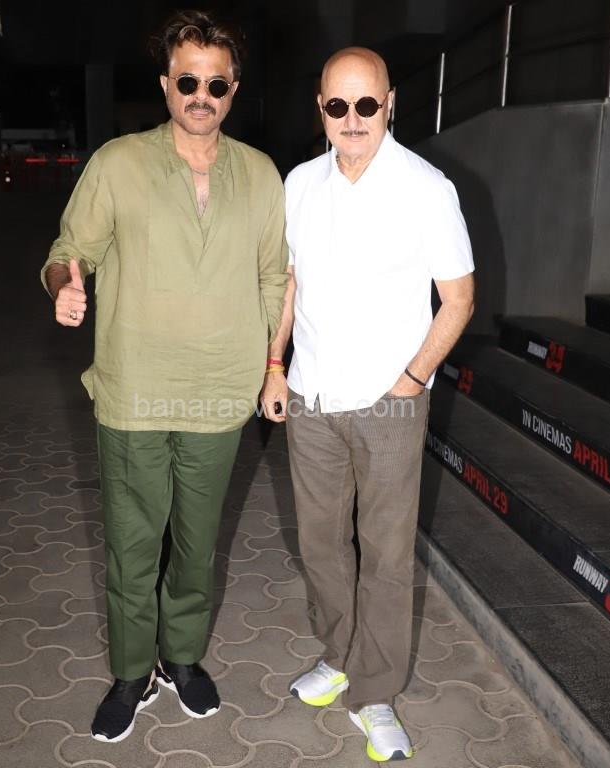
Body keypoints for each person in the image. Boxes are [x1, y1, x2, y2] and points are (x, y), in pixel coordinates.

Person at [41, 9, 288, 744]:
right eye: (187, 82)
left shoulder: (260, 174)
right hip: (134, 392)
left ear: (233, 89)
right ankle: (130, 671)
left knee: (197, 543)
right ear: (165, 85)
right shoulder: (118, 162)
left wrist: (272, 367)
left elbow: (274, 279)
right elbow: (69, 249)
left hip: (221, 395)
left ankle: (180, 657)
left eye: (215, 83)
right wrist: (63, 285)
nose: (200, 96)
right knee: (132, 544)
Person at [261, 47, 474, 762]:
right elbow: (289, 283)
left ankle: (375, 692)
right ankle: (339, 655)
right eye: (336, 105)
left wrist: (411, 379)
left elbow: (458, 298)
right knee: (320, 545)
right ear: (319, 109)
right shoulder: (299, 183)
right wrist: (274, 366)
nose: (351, 119)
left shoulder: (427, 188)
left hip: (390, 403)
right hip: (312, 396)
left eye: (365, 104)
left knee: (383, 554)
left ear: (389, 105)